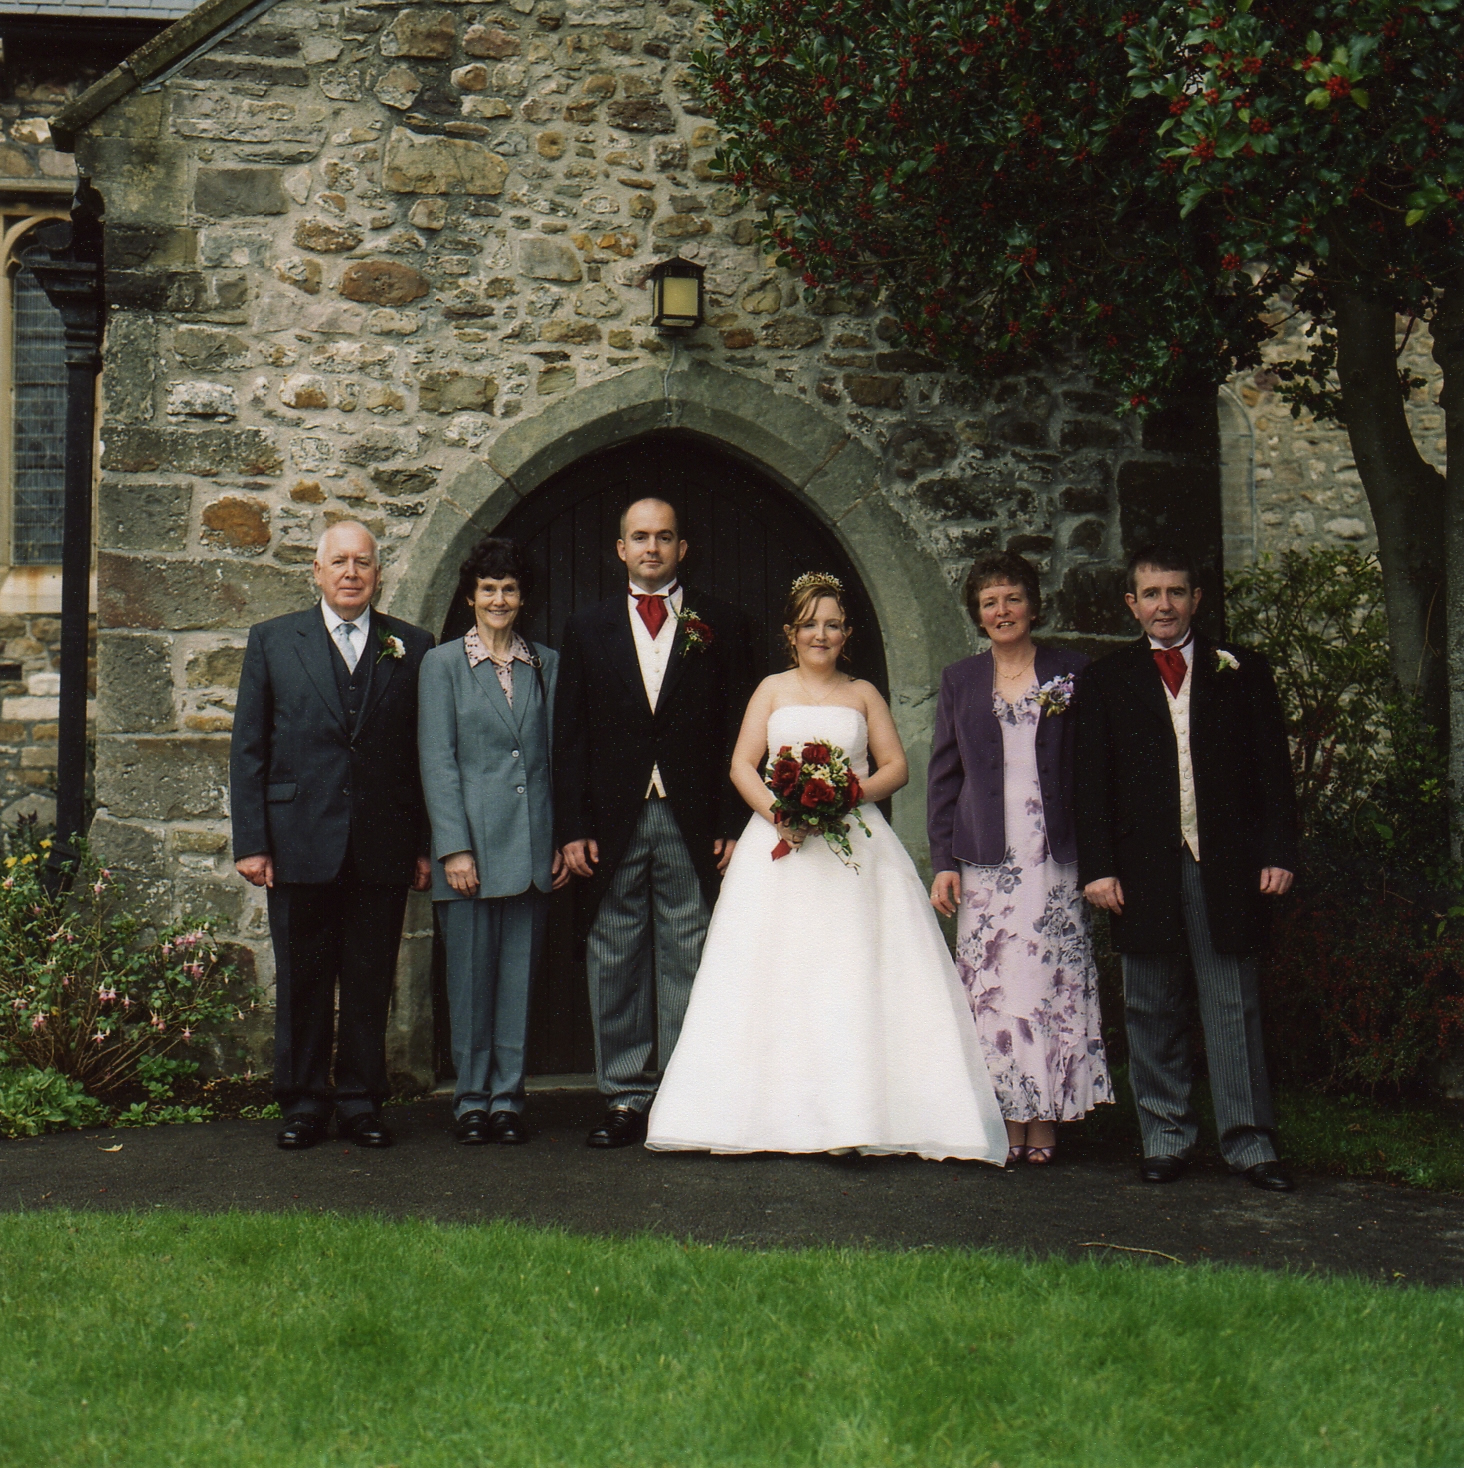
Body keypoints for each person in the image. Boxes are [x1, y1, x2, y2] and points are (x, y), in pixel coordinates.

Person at [646, 573, 1008, 1162]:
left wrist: (843, 795)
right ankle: (767, 1118)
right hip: (780, 850)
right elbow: (742, 764)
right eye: (810, 624)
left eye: (833, 624)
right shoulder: (770, 689)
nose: (822, 634)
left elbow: (896, 768)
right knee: (778, 974)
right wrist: (781, 811)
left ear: (847, 633)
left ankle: (853, 1117)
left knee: (850, 977)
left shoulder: (863, 693)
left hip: (855, 848)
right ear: (791, 633)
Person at [1074, 543, 1298, 1192]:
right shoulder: (1107, 678)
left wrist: (1279, 851)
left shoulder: (1242, 671)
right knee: (1150, 1002)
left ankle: (1251, 1145)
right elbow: (1091, 784)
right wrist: (1099, 868)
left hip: (1224, 862)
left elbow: (1272, 773)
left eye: (1175, 592)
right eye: (1151, 594)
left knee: (1233, 1000)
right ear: (1132, 604)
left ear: (1196, 599)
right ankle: (1165, 1136)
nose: (1163, 605)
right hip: (1142, 868)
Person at [553, 497, 755, 1147]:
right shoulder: (586, 628)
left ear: (681, 549)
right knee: (613, 952)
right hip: (613, 819)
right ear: (620, 549)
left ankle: (684, 1090)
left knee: (689, 951)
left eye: (664, 538)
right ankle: (625, 1096)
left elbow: (738, 728)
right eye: (639, 538)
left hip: (691, 817)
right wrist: (574, 826)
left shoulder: (720, 623)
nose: (651, 548)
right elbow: (570, 734)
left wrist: (731, 818)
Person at [230, 521, 434, 1150]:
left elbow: (425, 754)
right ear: (316, 571)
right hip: (298, 839)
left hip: (382, 840)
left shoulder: (414, 645)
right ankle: (303, 1103)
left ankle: (361, 1102)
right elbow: (249, 748)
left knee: (371, 978)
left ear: (379, 574)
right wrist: (252, 842)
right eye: (339, 561)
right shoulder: (272, 641)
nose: (351, 573)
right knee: (303, 976)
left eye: (363, 563)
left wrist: (424, 843)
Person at [927, 551, 1112, 1165]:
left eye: (1011, 598)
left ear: (1033, 605)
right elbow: (944, 776)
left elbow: (1092, 766)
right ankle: (1006, 1118)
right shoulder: (960, 678)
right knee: (996, 986)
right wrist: (944, 861)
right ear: (977, 617)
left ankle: (1048, 1118)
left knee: (1050, 981)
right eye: (989, 603)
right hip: (986, 858)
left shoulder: (1071, 670)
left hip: (1054, 854)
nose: (1001, 611)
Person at [418, 537, 568, 1146]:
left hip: (532, 850)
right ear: (470, 596)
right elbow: (437, 759)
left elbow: (557, 761)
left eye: (508, 588)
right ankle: (470, 1101)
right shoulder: (443, 664)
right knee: (472, 982)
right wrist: (453, 847)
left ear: (521, 596)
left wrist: (559, 840)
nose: (499, 599)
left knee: (516, 983)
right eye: (488, 589)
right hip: (471, 854)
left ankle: (507, 1100)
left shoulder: (547, 665)